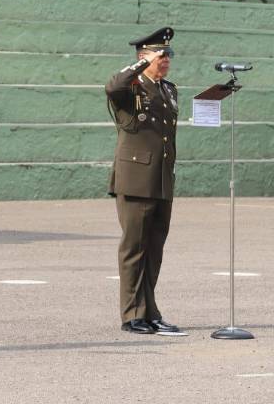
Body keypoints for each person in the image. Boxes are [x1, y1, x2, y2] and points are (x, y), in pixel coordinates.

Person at [105, 27, 181, 335]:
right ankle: (132, 314)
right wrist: (141, 63)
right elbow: (112, 86)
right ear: (144, 57)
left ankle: (150, 311)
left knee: (154, 249)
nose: (166, 61)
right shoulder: (131, 88)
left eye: (168, 56)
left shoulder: (168, 89)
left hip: (161, 179)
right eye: (160, 56)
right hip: (136, 180)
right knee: (134, 249)